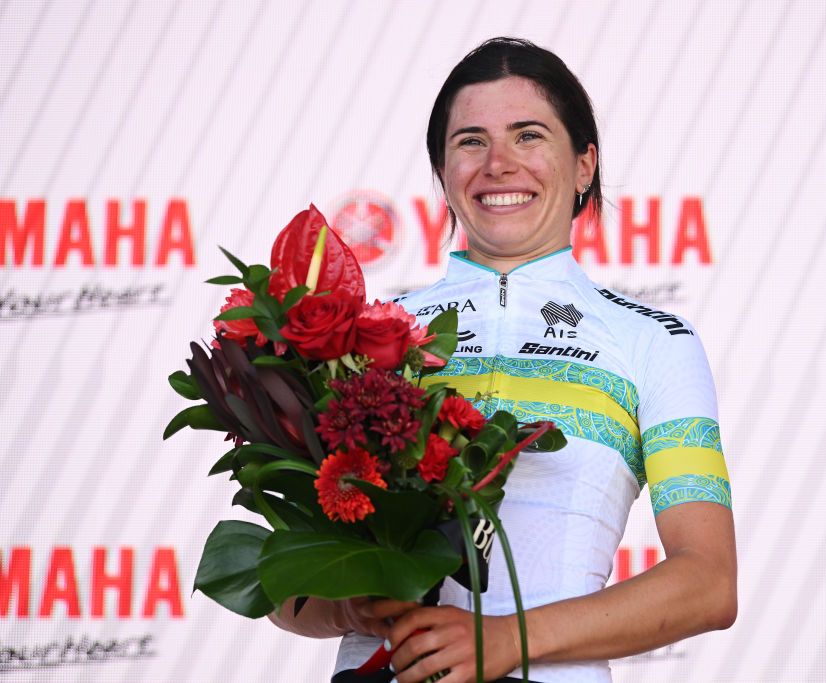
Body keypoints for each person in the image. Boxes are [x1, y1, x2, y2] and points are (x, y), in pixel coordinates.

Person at [269, 37, 737, 683]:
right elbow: (283, 588)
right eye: (470, 141)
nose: (498, 163)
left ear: (583, 165)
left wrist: (508, 639)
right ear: (441, 170)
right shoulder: (363, 336)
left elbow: (709, 582)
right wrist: (352, 599)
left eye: (529, 135)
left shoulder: (654, 339)